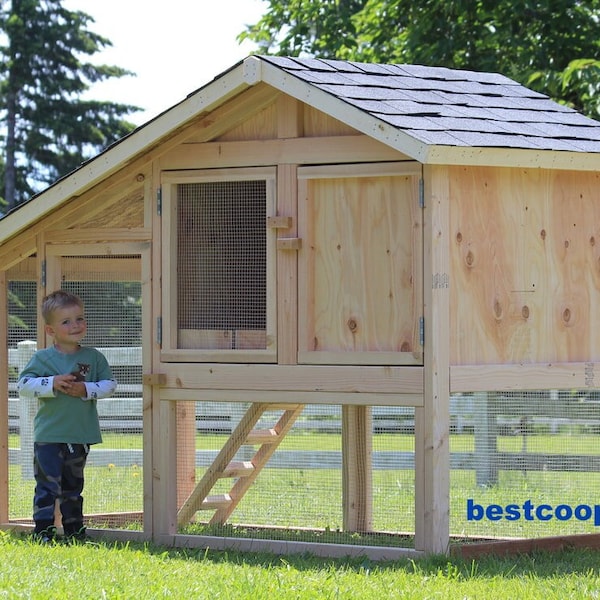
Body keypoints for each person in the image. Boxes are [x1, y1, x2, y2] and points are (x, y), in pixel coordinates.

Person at [17, 290, 117, 543]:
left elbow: (110, 385)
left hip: (80, 435)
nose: (75, 325)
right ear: (51, 331)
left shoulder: (93, 357)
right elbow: (24, 385)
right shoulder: (42, 358)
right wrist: (52, 383)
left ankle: (75, 531)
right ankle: (43, 531)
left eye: (79, 319)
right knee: (47, 486)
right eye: (66, 321)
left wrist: (86, 389)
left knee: (73, 487)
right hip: (48, 437)